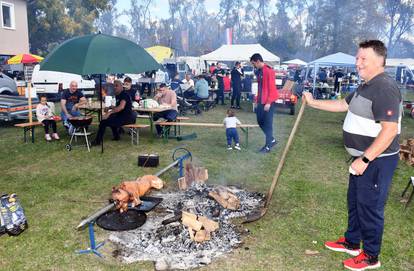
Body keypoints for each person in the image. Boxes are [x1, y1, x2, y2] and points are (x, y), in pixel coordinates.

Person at [303, 40, 401, 271]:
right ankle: (352, 242)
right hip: (361, 159)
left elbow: (390, 131)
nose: (357, 63)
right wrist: (313, 102)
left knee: (370, 207)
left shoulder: (384, 88)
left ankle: (371, 256)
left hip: (377, 160)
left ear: (379, 60)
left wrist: (365, 159)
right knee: (356, 203)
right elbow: (342, 105)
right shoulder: (365, 85)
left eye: (362, 59)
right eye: (357, 58)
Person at [250, 53, 279, 153]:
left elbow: (271, 87)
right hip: (261, 101)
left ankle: (267, 147)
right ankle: (272, 139)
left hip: (268, 101)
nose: (253, 66)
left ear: (258, 61)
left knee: (268, 123)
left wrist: (269, 102)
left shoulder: (269, 71)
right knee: (260, 121)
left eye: (254, 64)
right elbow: (261, 87)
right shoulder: (260, 71)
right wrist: (257, 100)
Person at [92, 80, 136, 145]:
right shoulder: (118, 95)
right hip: (121, 116)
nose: (115, 87)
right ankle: (116, 136)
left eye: (116, 86)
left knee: (103, 122)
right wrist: (110, 107)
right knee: (111, 118)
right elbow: (117, 106)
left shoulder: (124, 95)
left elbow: (121, 107)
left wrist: (109, 113)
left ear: (121, 86)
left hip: (127, 118)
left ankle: (97, 141)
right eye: (114, 86)